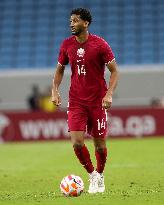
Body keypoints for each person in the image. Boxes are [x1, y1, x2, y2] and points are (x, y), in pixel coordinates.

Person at [51, 8, 119, 193]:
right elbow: (59, 70)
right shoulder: (66, 45)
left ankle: (101, 174)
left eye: (75, 20)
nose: (71, 23)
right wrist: (55, 90)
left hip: (97, 101)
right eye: (70, 20)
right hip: (76, 101)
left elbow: (114, 71)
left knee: (99, 143)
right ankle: (92, 175)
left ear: (86, 23)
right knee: (77, 142)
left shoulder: (100, 45)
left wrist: (109, 93)